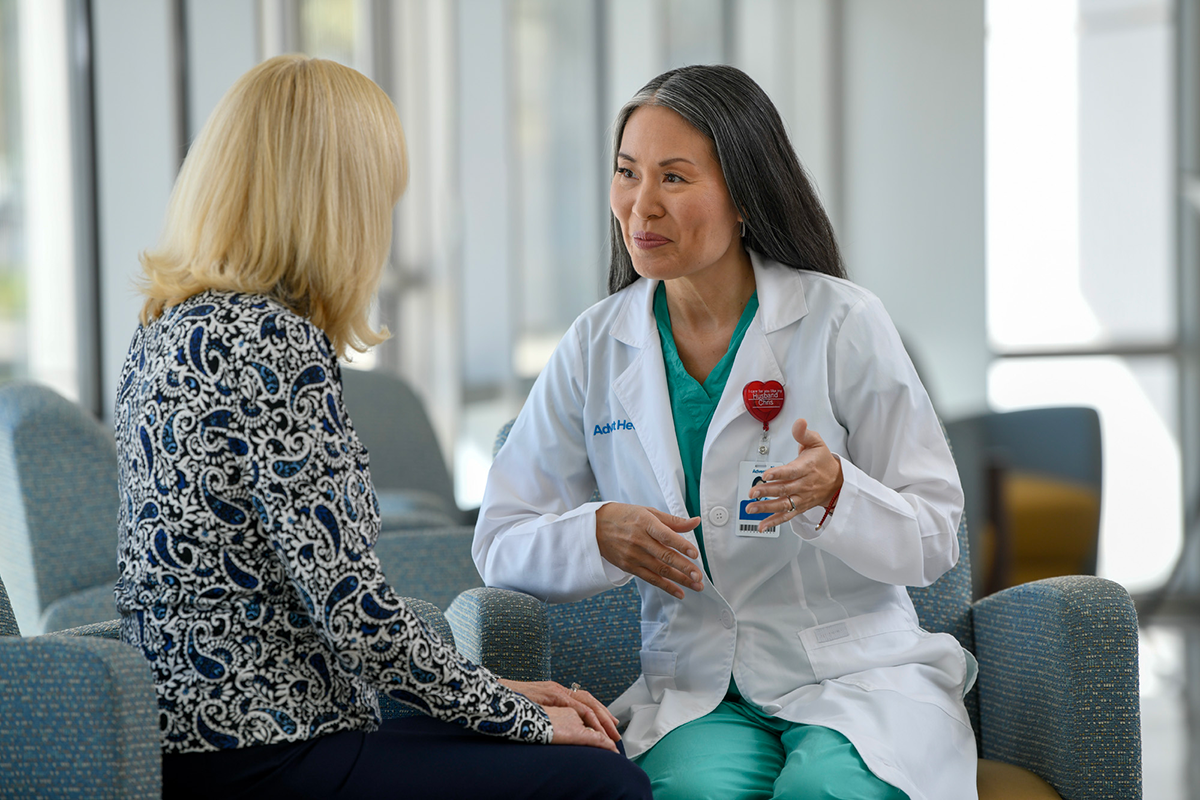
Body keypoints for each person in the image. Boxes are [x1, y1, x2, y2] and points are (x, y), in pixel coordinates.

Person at [114, 54, 651, 800]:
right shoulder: (273, 344)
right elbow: (353, 617)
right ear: (337, 201)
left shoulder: (168, 328)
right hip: (270, 754)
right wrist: (516, 716)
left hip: (206, 742)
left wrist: (493, 690)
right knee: (602, 781)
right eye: (383, 196)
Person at [474, 65, 977, 800]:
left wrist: (840, 492)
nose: (641, 205)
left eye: (674, 178)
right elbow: (499, 541)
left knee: (826, 793)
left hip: (854, 674)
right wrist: (595, 534)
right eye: (626, 173)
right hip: (697, 688)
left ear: (745, 196)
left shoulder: (841, 321)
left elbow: (935, 536)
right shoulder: (595, 344)